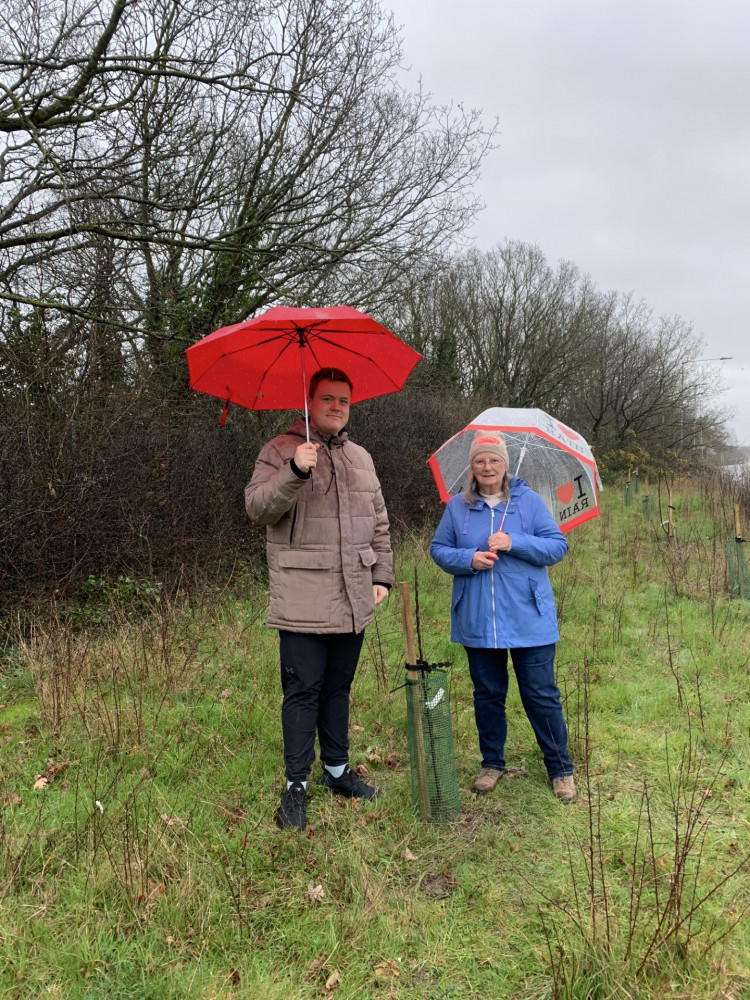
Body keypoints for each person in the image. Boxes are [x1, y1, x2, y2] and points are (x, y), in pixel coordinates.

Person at [245, 368, 394, 829]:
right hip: (304, 596)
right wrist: (294, 472)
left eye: (344, 401)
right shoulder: (280, 450)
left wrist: (382, 577)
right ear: (308, 402)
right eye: (328, 398)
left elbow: (380, 522)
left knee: (338, 688)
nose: (336, 407)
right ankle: (296, 786)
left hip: (355, 595)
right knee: (302, 691)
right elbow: (257, 509)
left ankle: (336, 770)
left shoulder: (362, 457)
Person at [430, 430, 576, 803]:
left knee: (541, 695)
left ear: (505, 465)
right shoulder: (457, 507)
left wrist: (514, 541)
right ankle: (492, 763)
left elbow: (557, 546)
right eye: (480, 460)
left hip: (529, 618)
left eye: (494, 460)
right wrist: (469, 559)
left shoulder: (528, 503)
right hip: (478, 620)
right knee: (488, 695)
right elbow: (439, 549)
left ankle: (561, 770)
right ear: (472, 467)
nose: (487, 466)